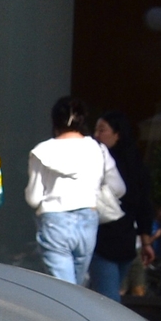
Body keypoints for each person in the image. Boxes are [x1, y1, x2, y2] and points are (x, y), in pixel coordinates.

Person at [26, 95, 123, 286]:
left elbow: (33, 197)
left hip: (54, 220)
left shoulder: (42, 151)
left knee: (63, 290)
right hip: (88, 218)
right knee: (76, 290)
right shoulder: (98, 149)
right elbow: (118, 188)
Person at [89, 109, 153, 302]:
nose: (96, 136)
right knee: (107, 294)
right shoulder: (136, 165)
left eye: (102, 130)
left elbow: (143, 204)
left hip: (106, 240)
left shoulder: (102, 164)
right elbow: (144, 205)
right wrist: (146, 241)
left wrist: (146, 241)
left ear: (118, 134)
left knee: (107, 300)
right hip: (125, 242)